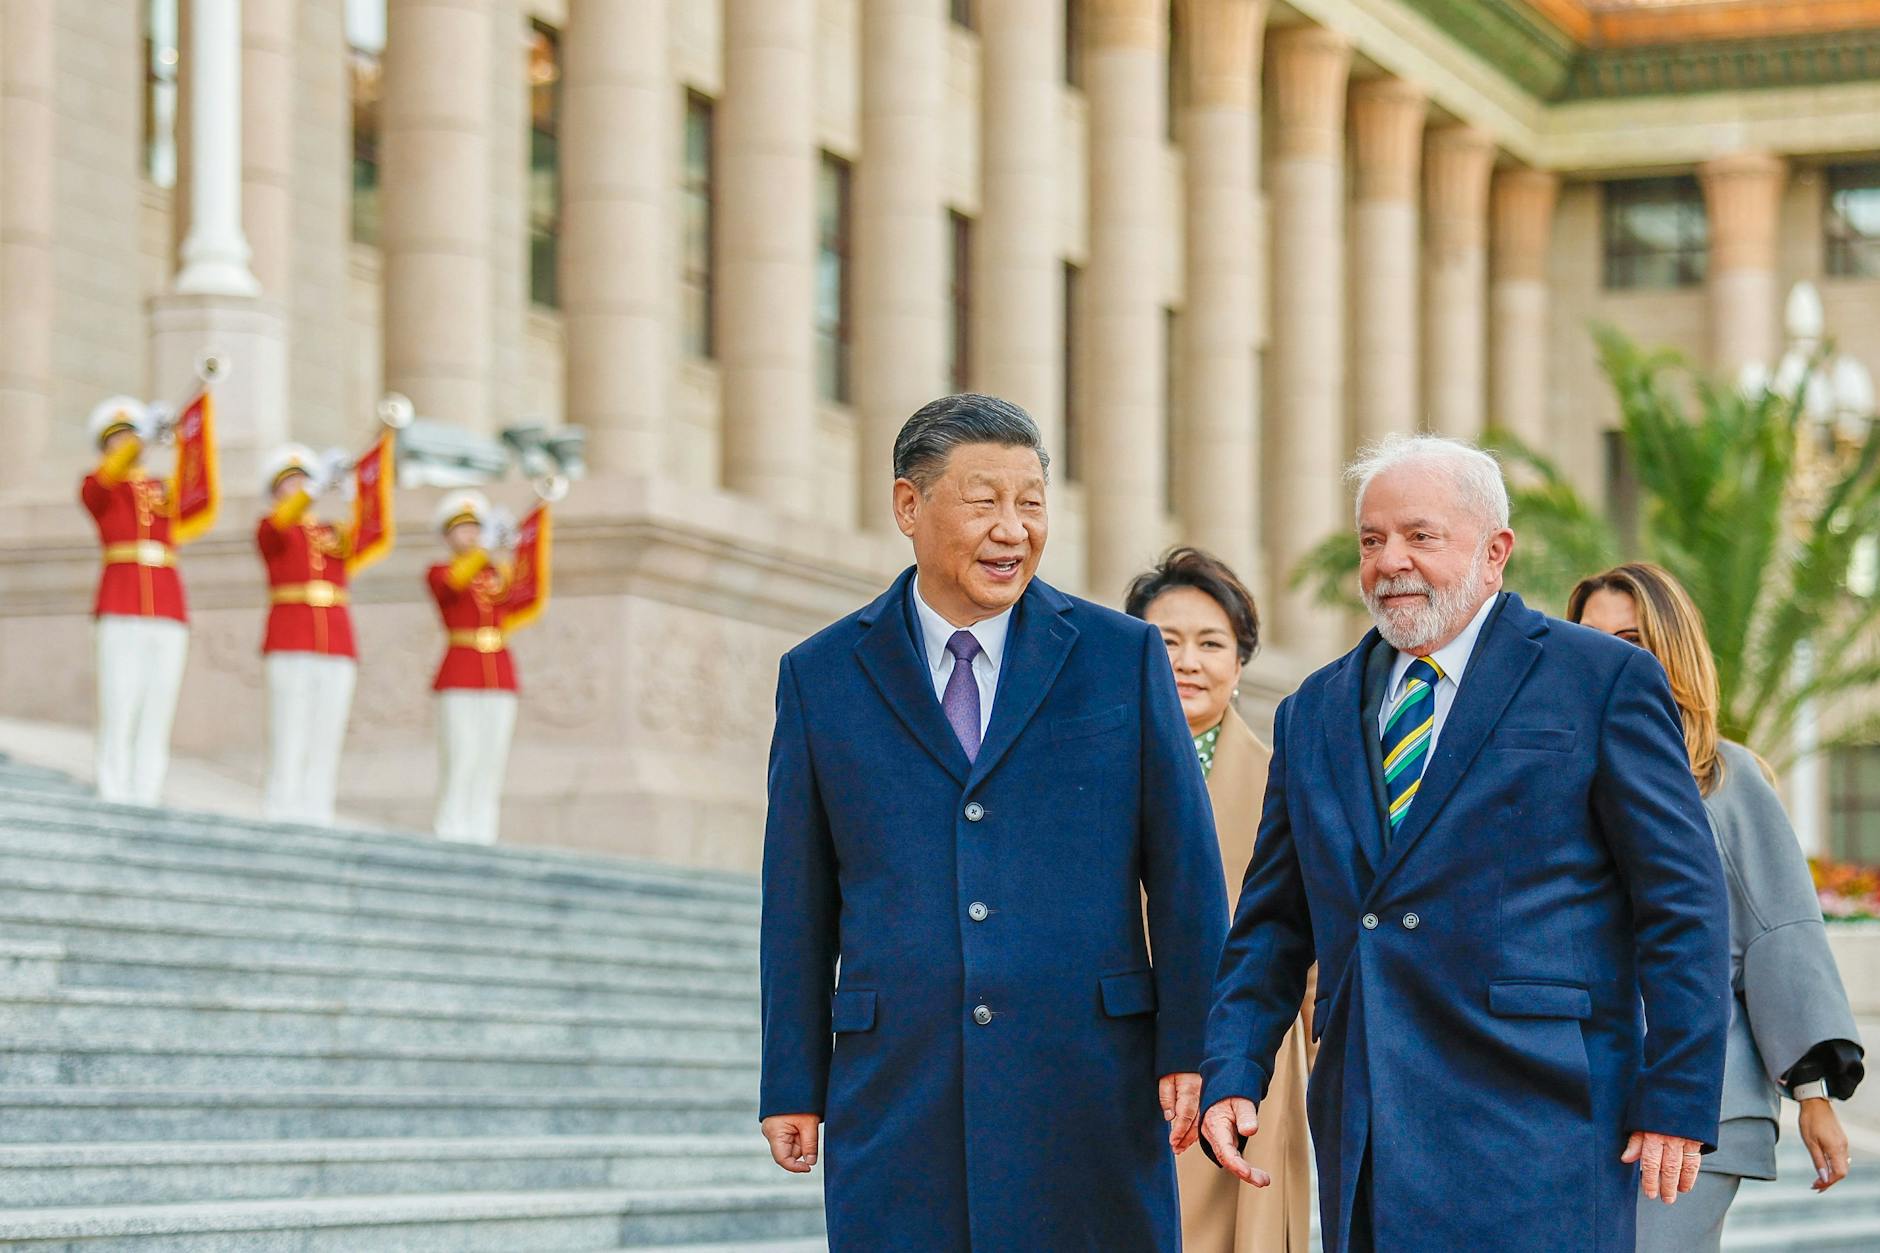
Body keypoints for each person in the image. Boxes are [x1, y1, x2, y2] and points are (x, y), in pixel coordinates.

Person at [1199, 433, 1730, 1253]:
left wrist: (1679, 1094)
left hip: (1543, 1124)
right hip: (1370, 1123)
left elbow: (1683, 902)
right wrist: (1235, 1070)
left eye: (1421, 536)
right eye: (1372, 540)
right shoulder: (1312, 710)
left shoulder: (1601, 680)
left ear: (1496, 551)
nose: (1391, 561)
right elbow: (1273, 919)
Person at [758, 394, 1228, 1250]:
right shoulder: (820, 675)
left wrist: (1195, 1045)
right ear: (909, 505)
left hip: (1089, 1080)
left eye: (1032, 502)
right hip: (898, 1089)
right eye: (984, 502)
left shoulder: (1119, 657)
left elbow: (1187, 873)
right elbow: (797, 898)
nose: (1013, 529)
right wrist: (792, 1077)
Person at [1568, 562, 1866, 1253]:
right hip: (1582, 1100)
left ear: (1672, 650)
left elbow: (1781, 937)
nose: (1609, 656)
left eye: (1632, 638)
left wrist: (1813, 1094)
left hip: (1704, 1101)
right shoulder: (1561, 777)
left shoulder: (1725, 778)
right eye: (1590, 638)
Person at [1126, 547, 1316, 1253]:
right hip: (1123, 1060)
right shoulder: (1085, 777)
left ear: (1240, 664)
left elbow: (1312, 942)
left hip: (1245, 1070)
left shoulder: (1284, 778)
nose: (1188, 660)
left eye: (1211, 643)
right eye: (1166, 641)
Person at [81, 396, 188, 805]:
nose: (127, 444)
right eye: (119, 439)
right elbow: (104, 480)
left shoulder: (162, 490)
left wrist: (186, 435)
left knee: (158, 704)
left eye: (131, 437)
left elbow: (198, 494)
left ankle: (147, 790)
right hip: (121, 601)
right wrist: (139, 438)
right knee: (118, 700)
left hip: (167, 605)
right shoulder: (98, 485)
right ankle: (113, 787)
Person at [256, 444, 357, 825]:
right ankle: (281, 807)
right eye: (291, 482)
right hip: (291, 637)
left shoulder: (333, 534)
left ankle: (318, 809)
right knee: (288, 727)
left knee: (326, 732)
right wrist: (314, 490)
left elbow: (372, 533)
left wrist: (355, 491)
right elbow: (281, 524)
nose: (298, 488)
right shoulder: (272, 527)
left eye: (304, 480)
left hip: (335, 640)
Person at [428, 490, 522, 844]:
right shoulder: (440, 571)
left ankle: (483, 830)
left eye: (476, 529)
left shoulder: (499, 575)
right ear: (448, 535)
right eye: (462, 530)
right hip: (461, 670)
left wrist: (528, 537)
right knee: (460, 755)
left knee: (491, 759)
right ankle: (451, 828)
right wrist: (485, 550)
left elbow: (528, 593)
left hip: (498, 674)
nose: (470, 535)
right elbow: (452, 586)